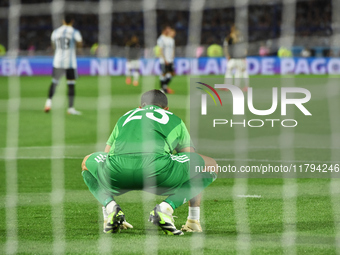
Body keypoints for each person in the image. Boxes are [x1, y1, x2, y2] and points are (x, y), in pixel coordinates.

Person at [81, 90, 217, 235]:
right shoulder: (175, 119)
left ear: (140, 107)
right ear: (166, 109)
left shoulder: (125, 117)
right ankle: (181, 216)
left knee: (86, 163)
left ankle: (111, 209)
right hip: (158, 173)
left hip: (118, 174)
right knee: (209, 165)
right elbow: (190, 160)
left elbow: (106, 154)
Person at [44, 14, 83, 115]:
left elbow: (53, 45)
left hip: (57, 61)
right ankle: (70, 108)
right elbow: (79, 44)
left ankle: (48, 103)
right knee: (71, 84)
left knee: (54, 82)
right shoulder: (74, 32)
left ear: (63, 21)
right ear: (72, 21)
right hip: (70, 63)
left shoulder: (56, 32)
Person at [224, 24, 248, 91]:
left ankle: (227, 86)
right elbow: (244, 48)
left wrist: (227, 55)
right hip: (239, 58)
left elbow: (226, 47)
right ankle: (239, 86)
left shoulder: (229, 38)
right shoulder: (241, 38)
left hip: (232, 58)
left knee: (229, 71)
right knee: (240, 71)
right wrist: (244, 56)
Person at [157, 26, 175, 94]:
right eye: (168, 30)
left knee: (171, 74)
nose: (169, 31)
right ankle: (162, 89)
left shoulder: (168, 39)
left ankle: (164, 87)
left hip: (169, 60)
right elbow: (160, 50)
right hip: (164, 60)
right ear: (165, 30)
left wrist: (171, 57)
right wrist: (164, 59)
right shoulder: (161, 39)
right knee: (164, 74)